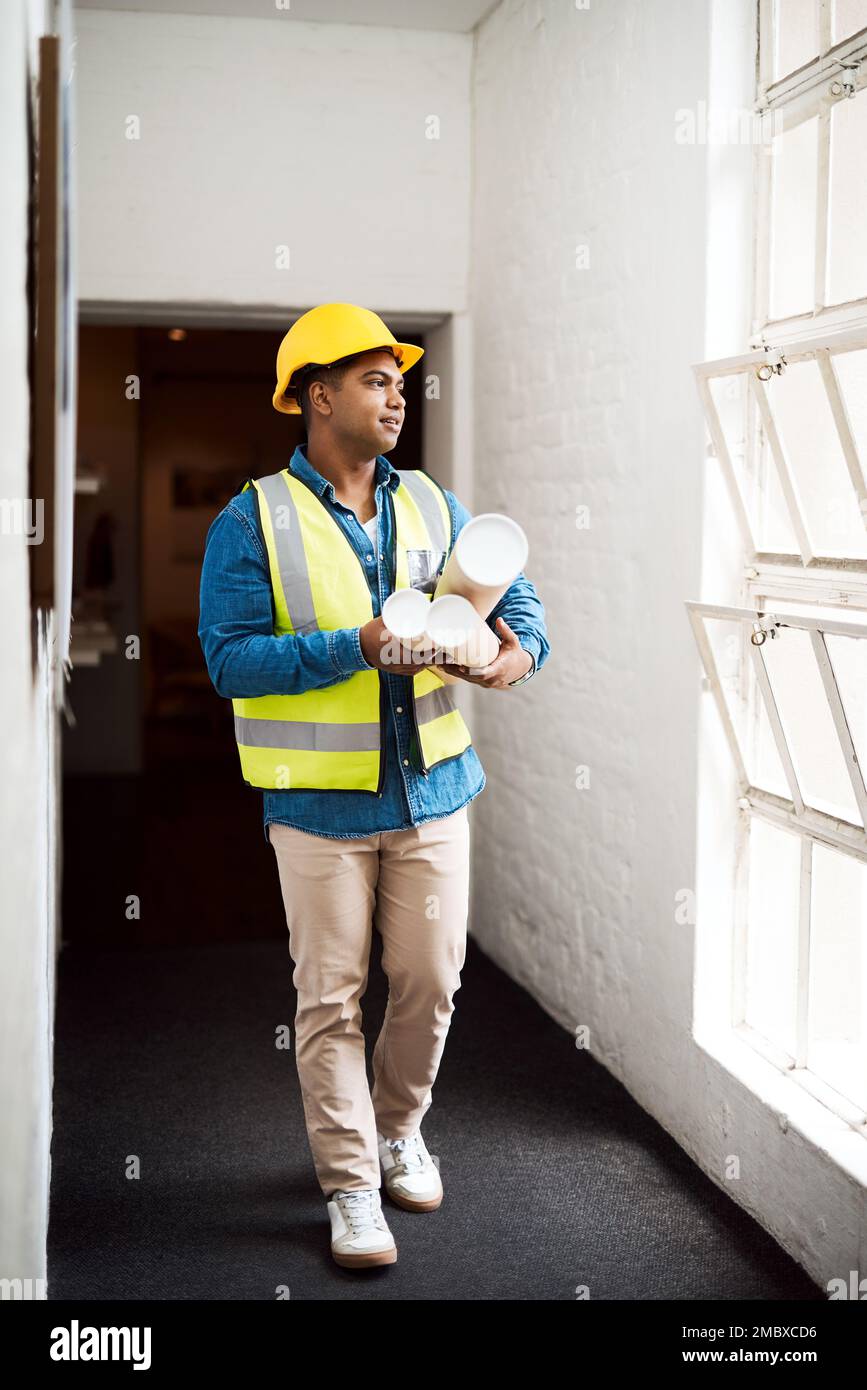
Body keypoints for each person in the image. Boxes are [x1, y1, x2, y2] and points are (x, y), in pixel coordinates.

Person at [198, 303, 550, 1269]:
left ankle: (399, 1130)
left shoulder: (435, 503)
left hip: (432, 793)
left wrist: (508, 661)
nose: (399, 394)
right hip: (316, 811)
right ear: (317, 396)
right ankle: (351, 1186)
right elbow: (228, 661)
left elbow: (522, 614)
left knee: (432, 981)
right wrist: (353, 647)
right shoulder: (252, 518)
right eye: (374, 380)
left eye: (401, 381)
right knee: (329, 997)